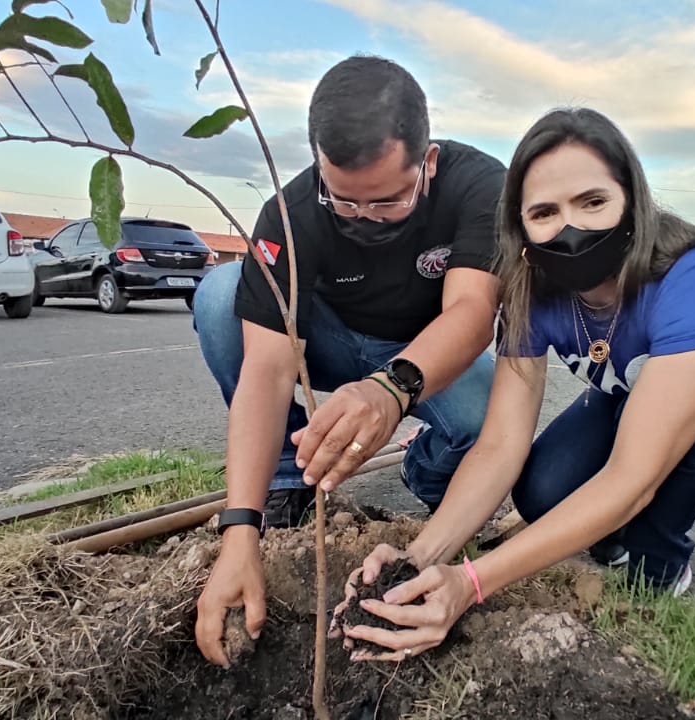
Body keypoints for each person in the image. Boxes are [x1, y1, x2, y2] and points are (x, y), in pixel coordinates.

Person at [331, 108, 695, 660]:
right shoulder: (530, 292)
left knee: (655, 454)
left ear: (633, 202)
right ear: (520, 226)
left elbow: (632, 475)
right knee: (541, 491)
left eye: (593, 202)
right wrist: (426, 554)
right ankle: (611, 534)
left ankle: (660, 564)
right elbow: (501, 444)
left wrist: (472, 583)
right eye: (545, 212)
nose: (571, 228)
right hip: (630, 396)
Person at [191, 55, 506, 667]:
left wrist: (392, 389)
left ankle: (431, 476)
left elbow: (471, 310)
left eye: (385, 203)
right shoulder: (291, 213)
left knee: (483, 415)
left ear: (428, 163)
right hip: (328, 343)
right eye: (344, 202)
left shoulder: (477, 186)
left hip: (422, 351)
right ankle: (288, 479)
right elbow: (266, 369)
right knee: (220, 296)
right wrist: (239, 530)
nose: (362, 219)